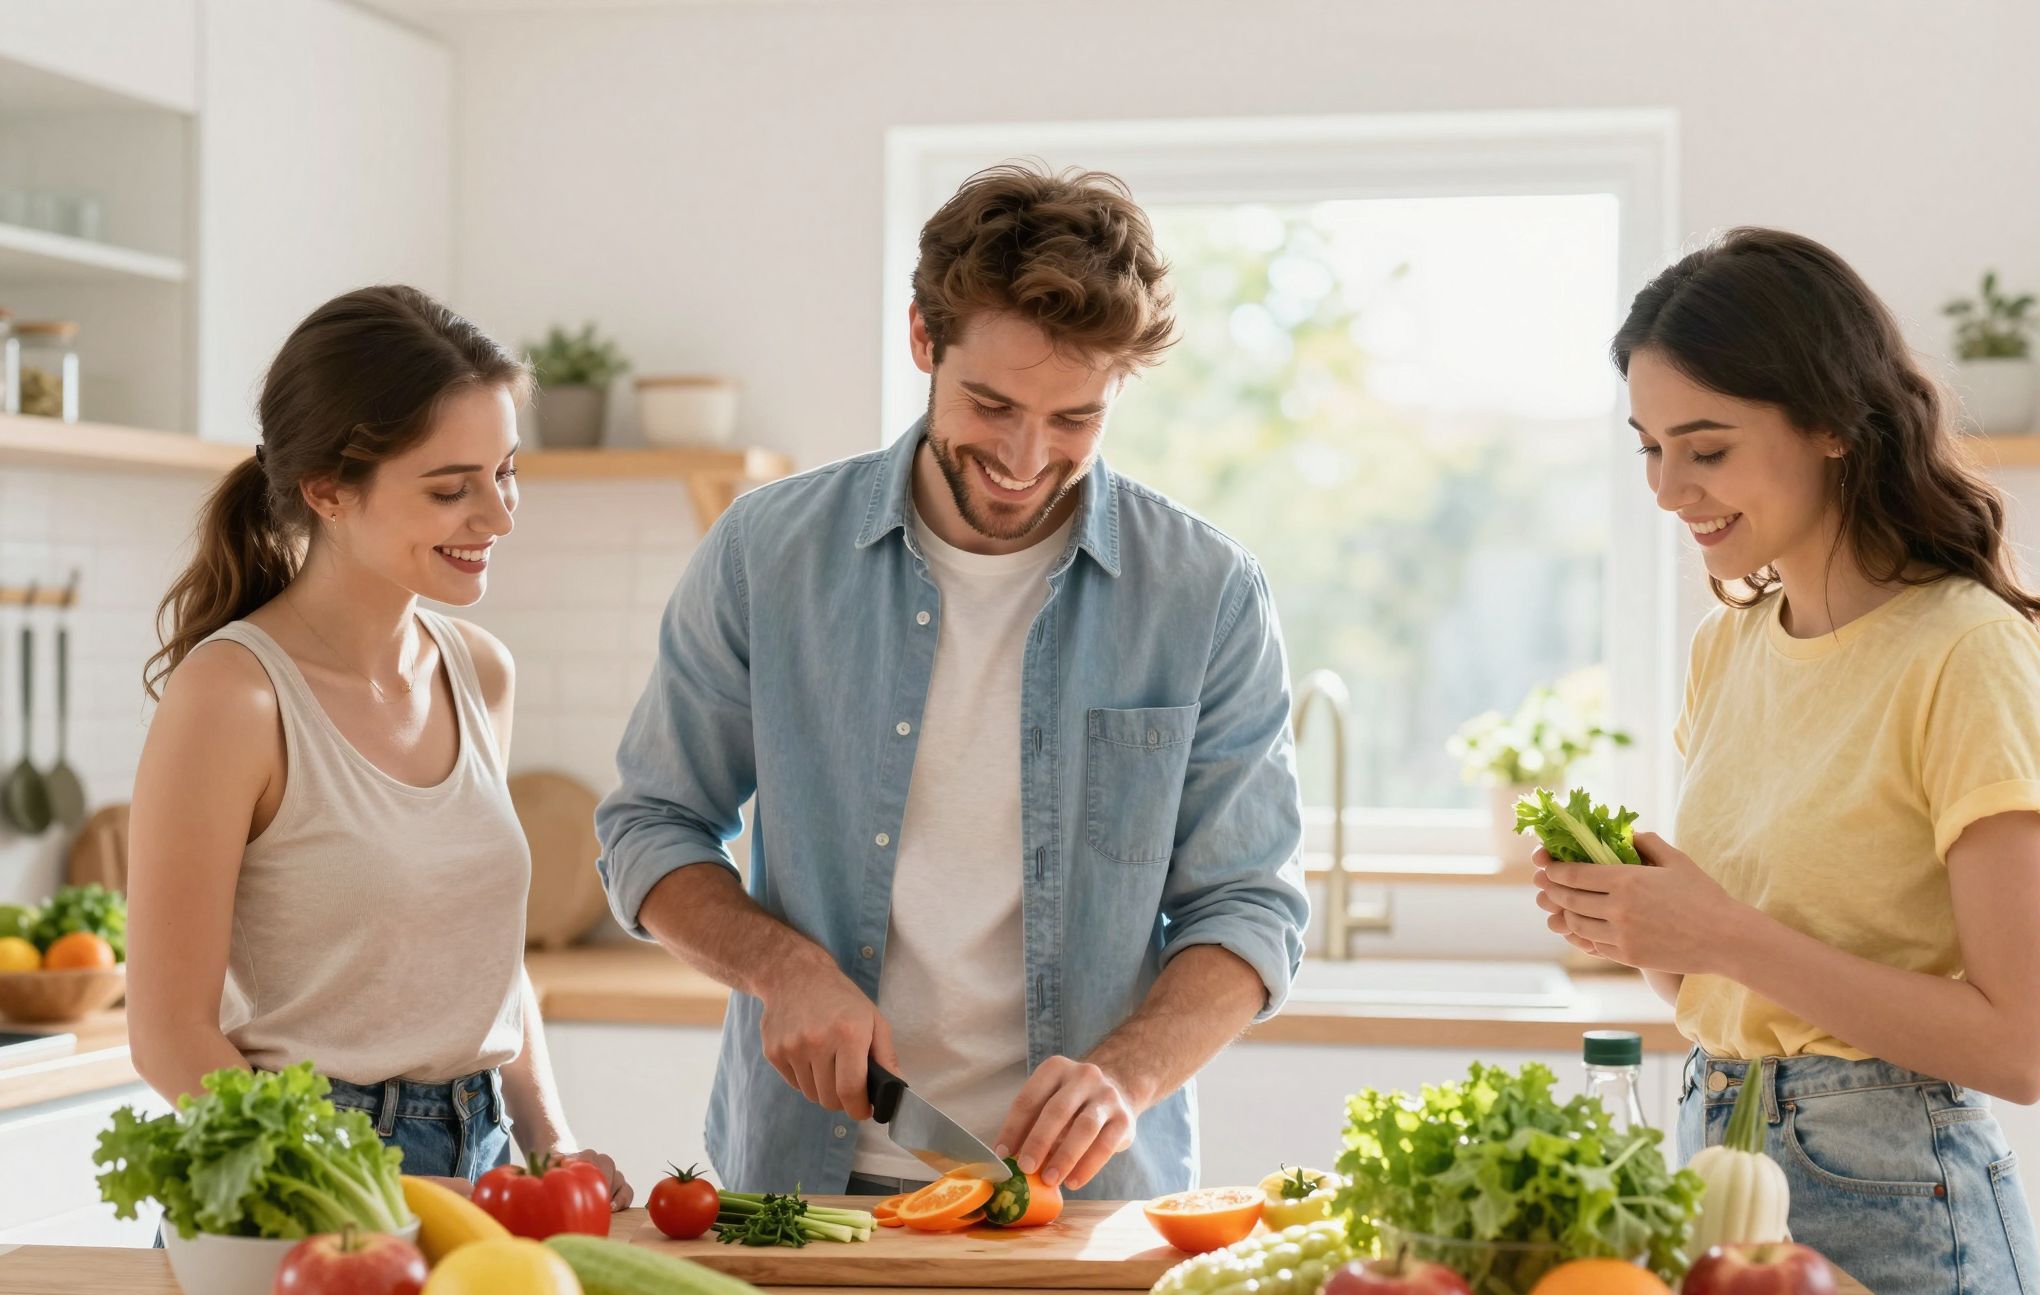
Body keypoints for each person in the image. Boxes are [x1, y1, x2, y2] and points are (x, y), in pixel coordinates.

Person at [598, 164, 1309, 1200]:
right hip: (806, 1191)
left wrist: (1127, 1075)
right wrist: (781, 970)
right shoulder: (767, 553)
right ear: (923, 341)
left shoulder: (1205, 594)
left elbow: (1248, 908)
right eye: (991, 404)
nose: (1025, 457)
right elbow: (650, 826)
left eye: (1075, 419)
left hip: (1081, 1201)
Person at [1535, 228, 2040, 1295]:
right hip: (1714, 1164)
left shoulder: (1964, 652)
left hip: (1896, 1208)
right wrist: (1642, 929)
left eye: (1704, 447)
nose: (1666, 488)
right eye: (1648, 447)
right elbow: (1730, 991)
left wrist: (1717, 934)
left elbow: (2018, 1047)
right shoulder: (1726, 649)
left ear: (1829, 424)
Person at [127, 285, 629, 1203]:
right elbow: (168, 1036)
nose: (499, 516)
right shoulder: (234, 697)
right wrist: (343, 1182)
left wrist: (551, 1143)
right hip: (300, 1166)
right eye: (451, 488)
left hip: (486, 1158)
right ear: (327, 491)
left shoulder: (479, 673)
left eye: (506, 472)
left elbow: (486, 961)